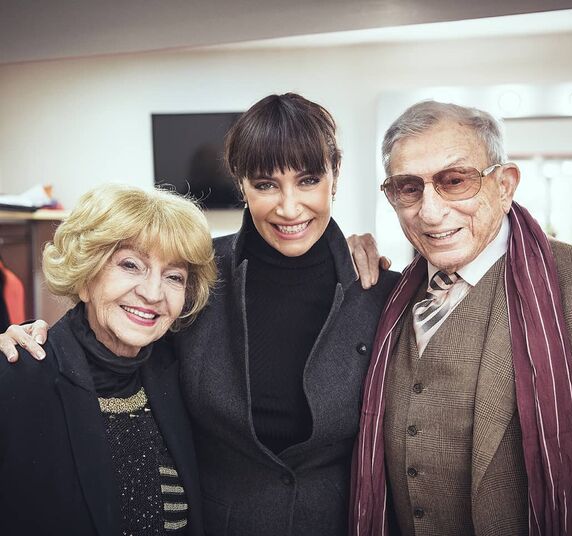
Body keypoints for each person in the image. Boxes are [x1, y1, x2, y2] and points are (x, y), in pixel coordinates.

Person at [0, 94, 399, 536]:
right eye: (265, 184)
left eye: (308, 180)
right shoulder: (197, 273)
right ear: (241, 185)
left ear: (335, 176)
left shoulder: (379, 291)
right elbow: (109, 331)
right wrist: (26, 341)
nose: (289, 207)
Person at [349, 101, 572, 536]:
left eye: (454, 181)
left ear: (505, 185)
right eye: (409, 188)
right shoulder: (385, 297)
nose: (430, 212)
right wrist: (336, 257)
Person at [0, 184, 217, 536]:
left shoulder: (181, 373)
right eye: (130, 265)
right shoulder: (17, 379)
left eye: (174, 276)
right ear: (85, 276)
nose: (153, 293)